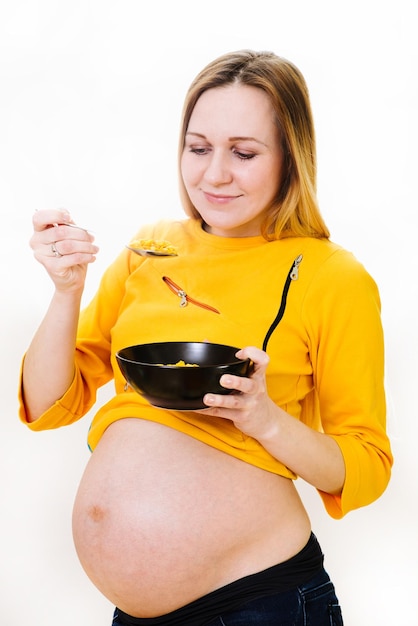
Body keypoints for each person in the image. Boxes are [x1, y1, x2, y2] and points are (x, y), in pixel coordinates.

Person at [19, 50, 393, 626]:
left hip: (258, 602)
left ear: (290, 158)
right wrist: (66, 290)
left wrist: (266, 419)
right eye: (198, 148)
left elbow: (366, 466)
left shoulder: (332, 276)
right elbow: (46, 403)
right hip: (136, 614)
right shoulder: (151, 249)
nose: (214, 174)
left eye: (243, 153)